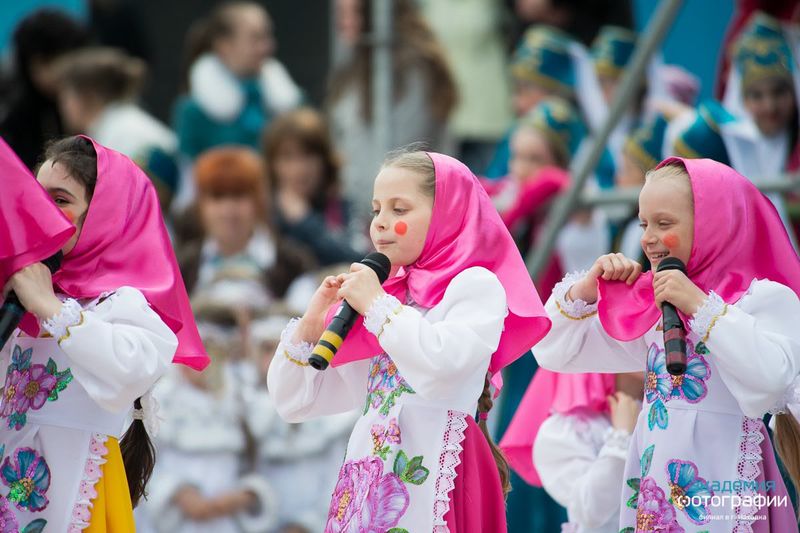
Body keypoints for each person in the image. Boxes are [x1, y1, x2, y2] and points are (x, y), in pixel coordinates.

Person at [267, 150, 551, 531]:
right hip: (371, 484)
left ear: (447, 213)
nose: (381, 222)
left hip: (436, 476)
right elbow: (294, 401)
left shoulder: (474, 286)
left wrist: (377, 305)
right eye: (376, 210)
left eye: (399, 209)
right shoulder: (386, 300)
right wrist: (311, 324)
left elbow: (443, 369)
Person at [535, 157, 800, 531]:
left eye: (664, 223)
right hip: (658, 491)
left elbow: (771, 384)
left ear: (714, 224)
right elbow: (553, 351)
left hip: (726, 488)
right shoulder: (653, 307)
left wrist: (699, 305)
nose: (647, 238)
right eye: (643, 224)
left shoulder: (762, 300)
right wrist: (585, 291)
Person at [0, 135, 207, 530]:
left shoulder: (120, 302)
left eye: (60, 200)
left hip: (75, 488)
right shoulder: (23, 291)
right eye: (36, 198)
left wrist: (49, 307)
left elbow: (131, 370)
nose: (41, 212)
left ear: (104, 216)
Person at [55, 47, 180, 213]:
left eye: (65, 96)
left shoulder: (120, 132)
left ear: (86, 95)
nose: (63, 106)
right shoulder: (116, 125)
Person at [174, 1, 301, 160]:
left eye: (268, 36)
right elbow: (188, 169)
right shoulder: (194, 112)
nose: (268, 47)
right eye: (256, 38)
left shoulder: (291, 102)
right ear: (224, 45)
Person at [262, 108, 363, 266]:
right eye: (287, 157)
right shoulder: (263, 211)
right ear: (272, 165)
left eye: (308, 155)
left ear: (325, 160)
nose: (299, 168)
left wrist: (305, 220)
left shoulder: (341, 206)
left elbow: (360, 259)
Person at [0, 9, 87, 169]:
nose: (52, 73)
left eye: (58, 60)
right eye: (42, 63)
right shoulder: (13, 112)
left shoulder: (87, 103)